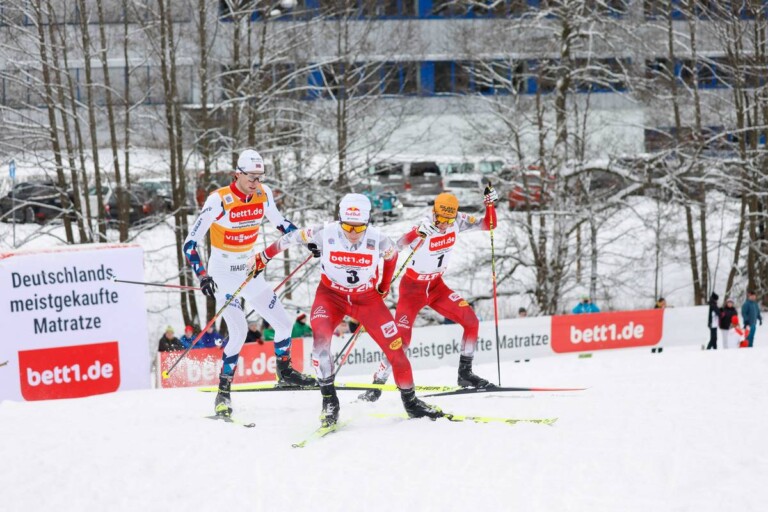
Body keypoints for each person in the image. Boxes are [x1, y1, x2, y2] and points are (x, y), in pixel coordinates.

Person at [248, 193, 443, 427]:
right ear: (340, 220)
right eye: (348, 226)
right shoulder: (325, 231)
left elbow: (391, 257)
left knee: (397, 349)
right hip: (331, 297)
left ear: (367, 223)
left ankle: (411, 403)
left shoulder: (378, 239)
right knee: (320, 348)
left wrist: (383, 285)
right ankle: (330, 402)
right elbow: (289, 239)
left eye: (359, 228)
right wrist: (263, 256)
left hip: (366, 299)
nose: (352, 233)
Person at [183, 149, 315, 418]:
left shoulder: (263, 194)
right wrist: (203, 275)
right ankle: (223, 394)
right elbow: (190, 243)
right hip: (222, 273)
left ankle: (285, 372)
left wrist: (306, 240)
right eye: (251, 177)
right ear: (238, 174)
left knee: (284, 324)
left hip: (249, 269)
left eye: (259, 177)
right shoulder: (219, 200)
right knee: (240, 330)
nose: (256, 182)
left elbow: (281, 224)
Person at [359, 186, 500, 402]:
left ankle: (465, 374)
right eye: (440, 218)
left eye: (448, 220)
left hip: (436, 287)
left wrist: (490, 206)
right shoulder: (424, 225)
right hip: (412, 290)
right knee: (401, 341)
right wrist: (416, 233)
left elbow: (489, 224)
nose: (443, 224)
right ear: (434, 212)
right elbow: (396, 247)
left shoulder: (458, 220)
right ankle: (376, 385)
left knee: (471, 321)